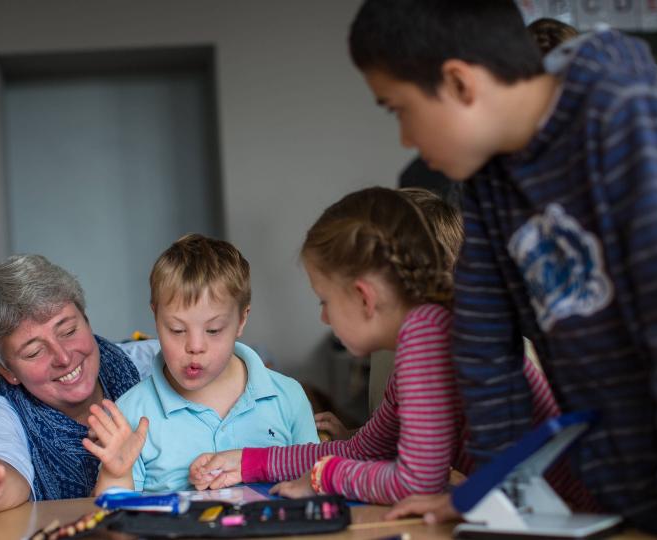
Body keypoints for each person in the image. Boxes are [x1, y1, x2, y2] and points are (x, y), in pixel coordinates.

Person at [348, 1, 657, 537]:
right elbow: (485, 349)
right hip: (635, 491)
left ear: (460, 83)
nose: (406, 140)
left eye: (399, 109)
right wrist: (485, 492)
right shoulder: (490, 182)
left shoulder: (632, 123)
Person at [187, 188, 578, 506]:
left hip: (570, 517)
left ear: (364, 298)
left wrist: (324, 478)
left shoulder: (430, 339)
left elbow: (415, 483)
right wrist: (248, 462)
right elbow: (361, 449)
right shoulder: (429, 331)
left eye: (324, 300)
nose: (324, 318)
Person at [85, 234, 319, 492]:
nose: (195, 346)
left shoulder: (287, 397)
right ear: (155, 317)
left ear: (241, 320)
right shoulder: (131, 413)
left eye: (213, 330)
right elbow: (113, 520)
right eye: (176, 329)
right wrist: (115, 475)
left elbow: (317, 486)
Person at [0, 254, 160, 520]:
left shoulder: (158, 364)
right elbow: (4, 464)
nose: (63, 358)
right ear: (7, 371)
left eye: (68, 331)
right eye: (34, 352)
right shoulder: (1, 411)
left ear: (87, 321)